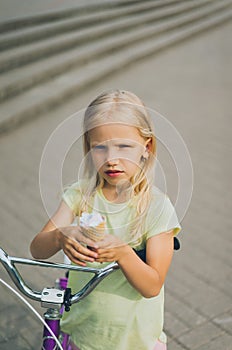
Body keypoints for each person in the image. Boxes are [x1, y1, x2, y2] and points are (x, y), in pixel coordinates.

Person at [30, 89, 181, 350]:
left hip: (136, 341)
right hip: (83, 335)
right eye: (100, 147)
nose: (111, 159)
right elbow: (37, 250)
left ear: (146, 148)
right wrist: (60, 235)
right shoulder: (80, 195)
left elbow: (152, 286)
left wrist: (123, 253)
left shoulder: (157, 207)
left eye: (124, 146)